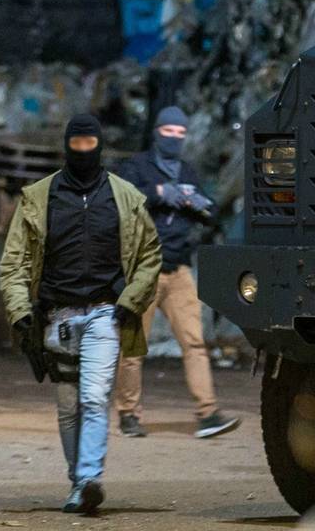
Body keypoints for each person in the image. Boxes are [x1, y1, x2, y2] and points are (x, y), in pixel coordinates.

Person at [0, 114, 161, 514]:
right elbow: (14, 262)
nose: (84, 151)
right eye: (78, 144)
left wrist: (130, 302)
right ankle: (78, 485)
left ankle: (89, 477)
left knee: (93, 399)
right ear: (67, 146)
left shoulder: (125, 198)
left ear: (100, 146)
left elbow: (149, 255)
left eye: (91, 144)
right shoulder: (39, 198)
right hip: (57, 317)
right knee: (69, 406)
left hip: (106, 315)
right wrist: (20, 310)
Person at [114, 106, 241, 439]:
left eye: (180, 133)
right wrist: (159, 193)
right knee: (132, 346)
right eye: (168, 131)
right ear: (157, 132)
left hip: (178, 268)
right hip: (143, 267)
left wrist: (197, 203)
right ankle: (128, 413)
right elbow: (121, 197)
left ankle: (208, 413)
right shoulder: (137, 167)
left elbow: (210, 212)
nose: (174, 138)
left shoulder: (187, 170)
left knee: (195, 343)